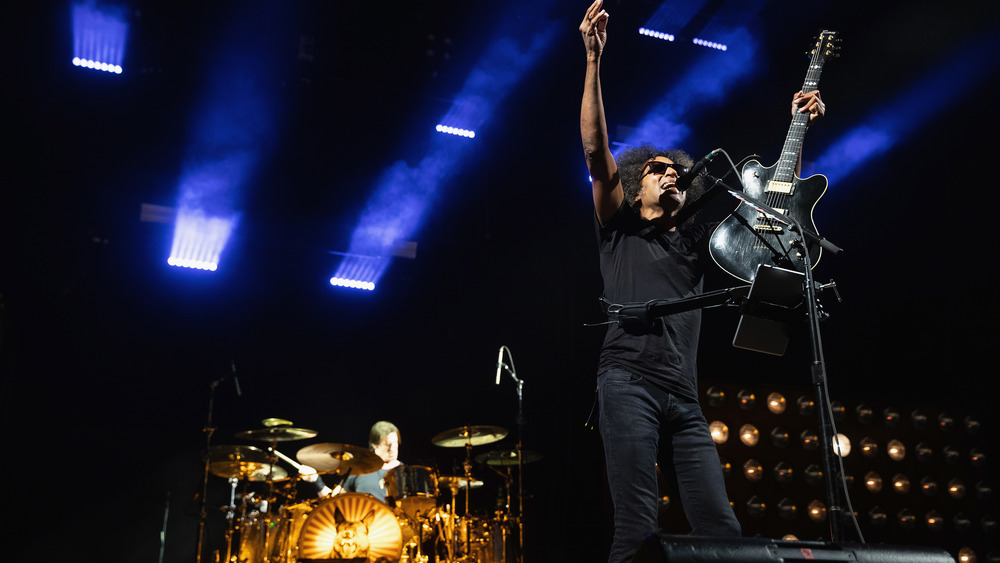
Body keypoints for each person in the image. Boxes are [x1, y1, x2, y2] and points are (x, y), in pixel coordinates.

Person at [578, 1, 825, 561]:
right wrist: (593, 60)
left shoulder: (696, 239)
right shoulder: (619, 227)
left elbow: (776, 211)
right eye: (658, 170)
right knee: (636, 525)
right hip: (627, 383)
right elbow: (596, 153)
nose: (671, 176)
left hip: (684, 396)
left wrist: (799, 125)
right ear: (637, 185)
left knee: (721, 529)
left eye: (677, 172)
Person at [300, 420, 402, 503]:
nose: (393, 448)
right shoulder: (358, 470)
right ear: (375, 445)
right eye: (388, 444)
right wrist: (316, 481)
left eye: (395, 443)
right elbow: (333, 501)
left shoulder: (403, 472)